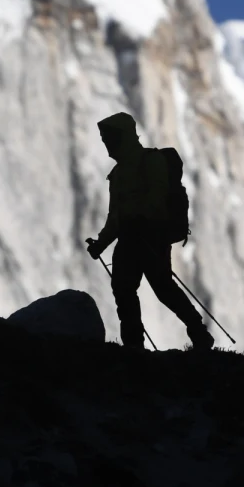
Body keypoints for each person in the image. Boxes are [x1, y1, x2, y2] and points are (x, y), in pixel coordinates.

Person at [85, 112, 214, 351]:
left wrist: (131, 223)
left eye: (109, 140)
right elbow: (116, 217)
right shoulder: (123, 172)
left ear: (121, 138)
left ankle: (195, 332)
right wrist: (101, 244)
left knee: (157, 289)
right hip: (140, 239)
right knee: (130, 289)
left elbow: (156, 197)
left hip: (150, 238)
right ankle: (136, 344)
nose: (107, 145)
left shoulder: (145, 163)